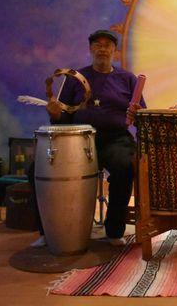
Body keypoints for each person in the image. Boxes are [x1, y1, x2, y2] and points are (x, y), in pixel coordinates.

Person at [31, 29, 144, 247]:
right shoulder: (75, 79)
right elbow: (63, 118)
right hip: (78, 139)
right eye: (97, 45)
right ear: (90, 49)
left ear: (115, 50)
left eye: (107, 45)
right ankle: (48, 232)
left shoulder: (128, 79)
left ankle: (114, 231)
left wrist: (136, 116)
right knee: (36, 168)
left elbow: (140, 115)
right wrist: (54, 113)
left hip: (115, 139)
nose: (102, 49)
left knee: (125, 167)